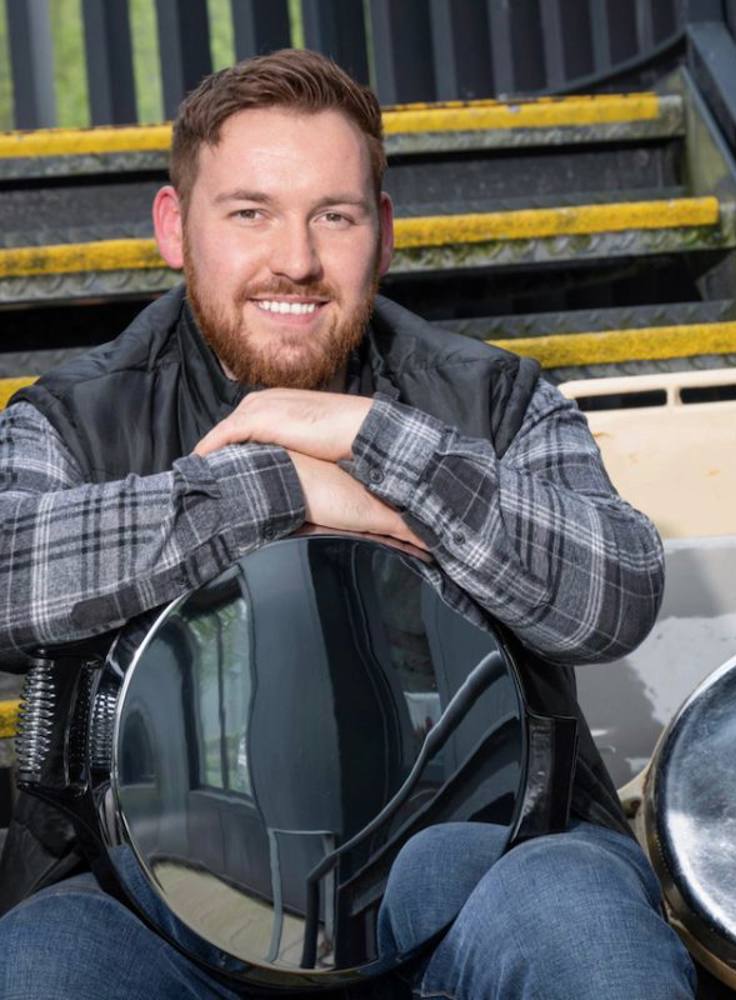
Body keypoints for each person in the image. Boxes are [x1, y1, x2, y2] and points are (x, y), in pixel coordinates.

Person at [0, 50, 695, 999]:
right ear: (173, 227)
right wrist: (280, 486)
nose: (296, 259)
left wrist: (376, 442)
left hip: (483, 863)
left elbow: (617, 592)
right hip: (141, 903)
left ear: (385, 232)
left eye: (335, 215)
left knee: (584, 933)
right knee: (41, 969)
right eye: (250, 213)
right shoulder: (74, 417)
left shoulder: (494, 397)